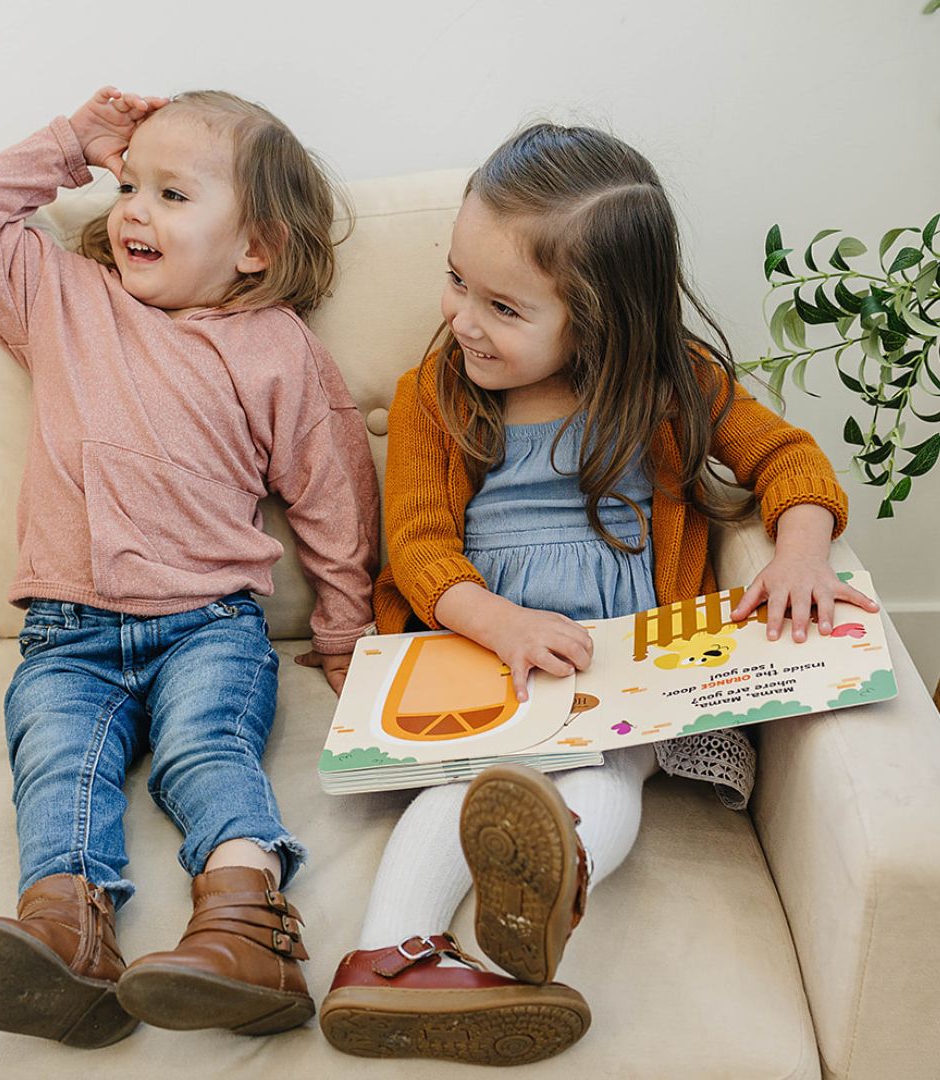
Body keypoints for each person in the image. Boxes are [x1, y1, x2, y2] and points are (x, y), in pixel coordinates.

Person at [317, 122, 878, 1068]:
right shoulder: (436, 394)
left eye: (503, 305)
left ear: (604, 318)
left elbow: (788, 457)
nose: (464, 319)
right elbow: (417, 545)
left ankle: (543, 879)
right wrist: (497, 622)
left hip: (624, 658)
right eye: (458, 281)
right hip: (482, 644)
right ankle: (387, 958)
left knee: (605, 773)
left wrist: (802, 549)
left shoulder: (670, 384)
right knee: (467, 779)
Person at [0, 87, 378, 1048]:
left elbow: (333, 498)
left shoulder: (276, 350)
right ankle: (65, 942)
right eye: (129, 185)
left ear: (254, 244)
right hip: (66, 630)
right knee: (57, 762)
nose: (132, 209)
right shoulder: (62, 300)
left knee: (204, 752)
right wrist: (74, 142)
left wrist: (346, 632)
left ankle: (245, 929)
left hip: (210, 622)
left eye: (173, 195)